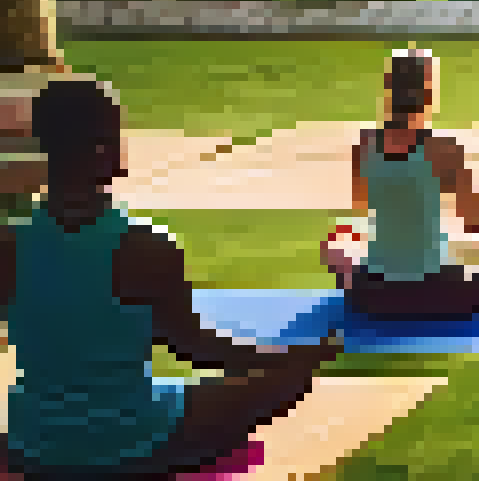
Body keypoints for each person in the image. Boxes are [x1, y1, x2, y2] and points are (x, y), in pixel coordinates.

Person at [3, 75, 343, 476]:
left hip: (34, 442)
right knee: (285, 381)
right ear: (102, 148)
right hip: (131, 437)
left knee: (179, 393)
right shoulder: (146, 246)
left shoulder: (8, 242)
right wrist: (286, 357)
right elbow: (196, 348)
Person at [322, 50, 479, 319]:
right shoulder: (444, 148)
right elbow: (475, 225)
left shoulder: (365, 144)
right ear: (429, 93)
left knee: (337, 250)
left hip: (374, 292)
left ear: (390, 91)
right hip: (435, 290)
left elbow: (364, 207)